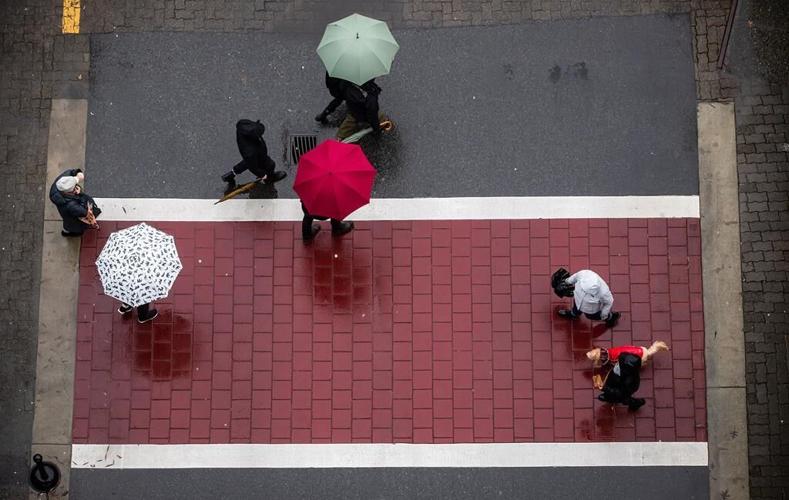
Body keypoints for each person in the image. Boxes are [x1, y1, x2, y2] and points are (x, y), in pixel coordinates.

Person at [220, 119, 287, 188]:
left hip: (253, 152)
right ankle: (269, 179)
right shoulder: (250, 152)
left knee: (248, 162)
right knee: (270, 165)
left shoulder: (243, 125)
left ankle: (231, 174)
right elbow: (253, 168)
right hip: (255, 153)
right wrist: (263, 175)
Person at [556, 269, 620, 326]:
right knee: (575, 308)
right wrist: (567, 281)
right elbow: (576, 276)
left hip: (590, 310)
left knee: (591, 316)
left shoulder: (604, 292)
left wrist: (604, 314)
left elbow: (609, 302)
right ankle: (573, 314)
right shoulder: (585, 274)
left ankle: (610, 317)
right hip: (577, 299)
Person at [49, 168, 102, 237]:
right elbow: (84, 211)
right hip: (75, 221)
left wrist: (77, 173)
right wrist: (81, 194)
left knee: (68, 224)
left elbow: (70, 172)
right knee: (75, 228)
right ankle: (73, 233)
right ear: (71, 191)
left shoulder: (60, 183)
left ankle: (66, 231)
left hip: (67, 216)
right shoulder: (71, 205)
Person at [586, 341, 669, 367]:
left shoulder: (609, 359)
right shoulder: (607, 350)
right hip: (638, 350)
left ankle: (642, 362)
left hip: (638, 355)